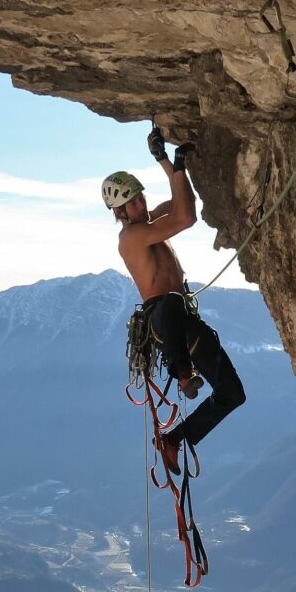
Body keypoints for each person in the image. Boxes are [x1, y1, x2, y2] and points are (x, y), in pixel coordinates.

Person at [101, 128, 245, 475]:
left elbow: (186, 206)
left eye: (140, 198)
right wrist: (175, 164)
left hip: (183, 322)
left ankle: (175, 439)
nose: (141, 204)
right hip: (163, 319)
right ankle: (183, 373)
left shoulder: (147, 223)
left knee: (232, 394)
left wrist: (167, 162)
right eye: (132, 202)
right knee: (170, 304)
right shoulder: (132, 237)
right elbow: (184, 219)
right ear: (119, 212)